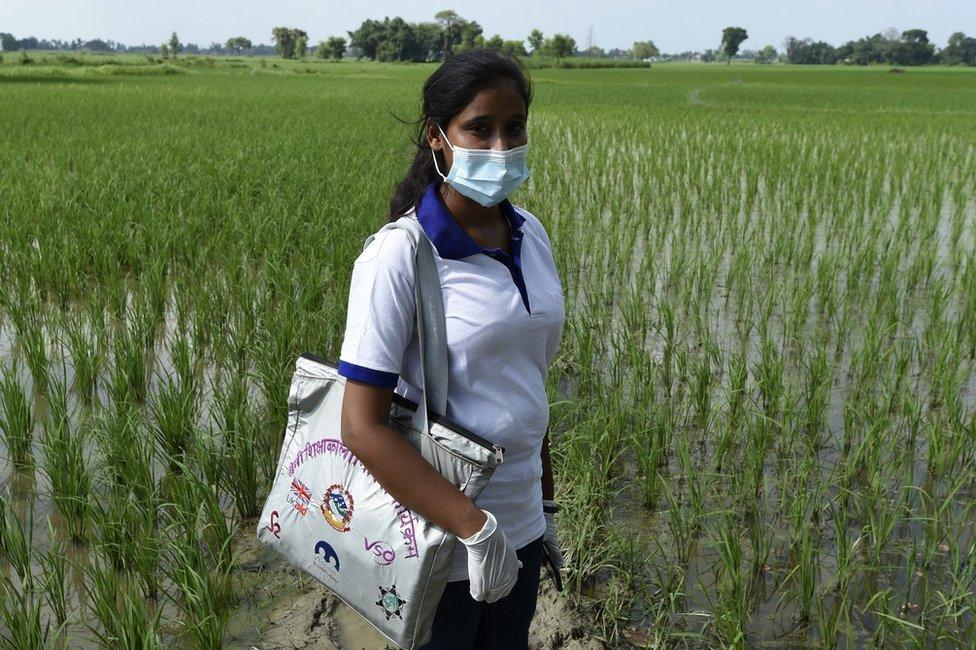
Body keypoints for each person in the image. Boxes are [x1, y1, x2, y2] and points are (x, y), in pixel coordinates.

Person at [337, 48, 565, 649]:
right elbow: (362, 427)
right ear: (438, 137)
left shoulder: (531, 234)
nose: (501, 147)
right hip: (443, 540)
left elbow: (527, 381)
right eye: (479, 129)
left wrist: (543, 505)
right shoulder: (399, 256)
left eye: (514, 128)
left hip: (521, 526)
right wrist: (475, 529)